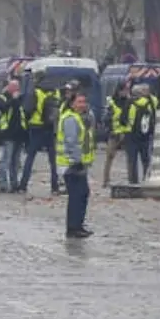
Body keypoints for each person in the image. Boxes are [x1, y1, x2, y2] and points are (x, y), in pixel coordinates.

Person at [57, 92, 95, 238]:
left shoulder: (79, 118)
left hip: (78, 163)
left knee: (82, 194)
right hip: (71, 164)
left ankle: (77, 225)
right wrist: (77, 160)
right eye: (79, 102)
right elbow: (71, 141)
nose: (82, 105)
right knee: (76, 196)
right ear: (72, 104)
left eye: (84, 102)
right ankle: (73, 227)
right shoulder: (70, 119)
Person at [18, 71, 60, 193]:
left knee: (30, 158)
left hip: (36, 127)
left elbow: (27, 109)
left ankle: (23, 185)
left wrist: (26, 123)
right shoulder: (55, 92)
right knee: (53, 161)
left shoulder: (36, 92)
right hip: (51, 128)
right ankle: (55, 186)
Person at [0, 79, 27, 193]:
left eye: (17, 87)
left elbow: (23, 115)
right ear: (9, 87)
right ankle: (3, 184)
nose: (16, 89)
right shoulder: (3, 98)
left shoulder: (20, 99)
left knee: (16, 162)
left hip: (19, 135)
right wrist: (13, 100)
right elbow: (1, 110)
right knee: (6, 161)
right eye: (14, 87)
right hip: (8, 134)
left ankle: (14, 184)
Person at [125, 83, 156, 184]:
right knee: (145, 158)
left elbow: (123, 118)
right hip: (145, 135)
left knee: (132, 160)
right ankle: (146, 177)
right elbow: (153, 116)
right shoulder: (149, 103)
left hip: (131, 135)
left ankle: (133, 181)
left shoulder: (129, 103)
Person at [102, 81, 131, 188]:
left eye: (128, 90)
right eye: (125, 90)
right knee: (109, 156)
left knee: (130, 157)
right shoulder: (112, 102)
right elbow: (106, 118)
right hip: (114, 133)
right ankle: (106, 180)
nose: (126, 92)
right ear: (119, 91)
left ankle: (131, 179)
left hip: (126, 133)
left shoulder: (129, 101)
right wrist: (110, 130)